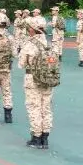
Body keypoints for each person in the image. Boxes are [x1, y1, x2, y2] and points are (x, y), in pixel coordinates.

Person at [19, 16, 57, 149]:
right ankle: (45, 138)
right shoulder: (49, 44)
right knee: (46, 107)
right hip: (48, 78)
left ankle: (36, 137)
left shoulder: (29, 44)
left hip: (32, 79)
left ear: (31, 29)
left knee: (34, 107)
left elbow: (21, 64)